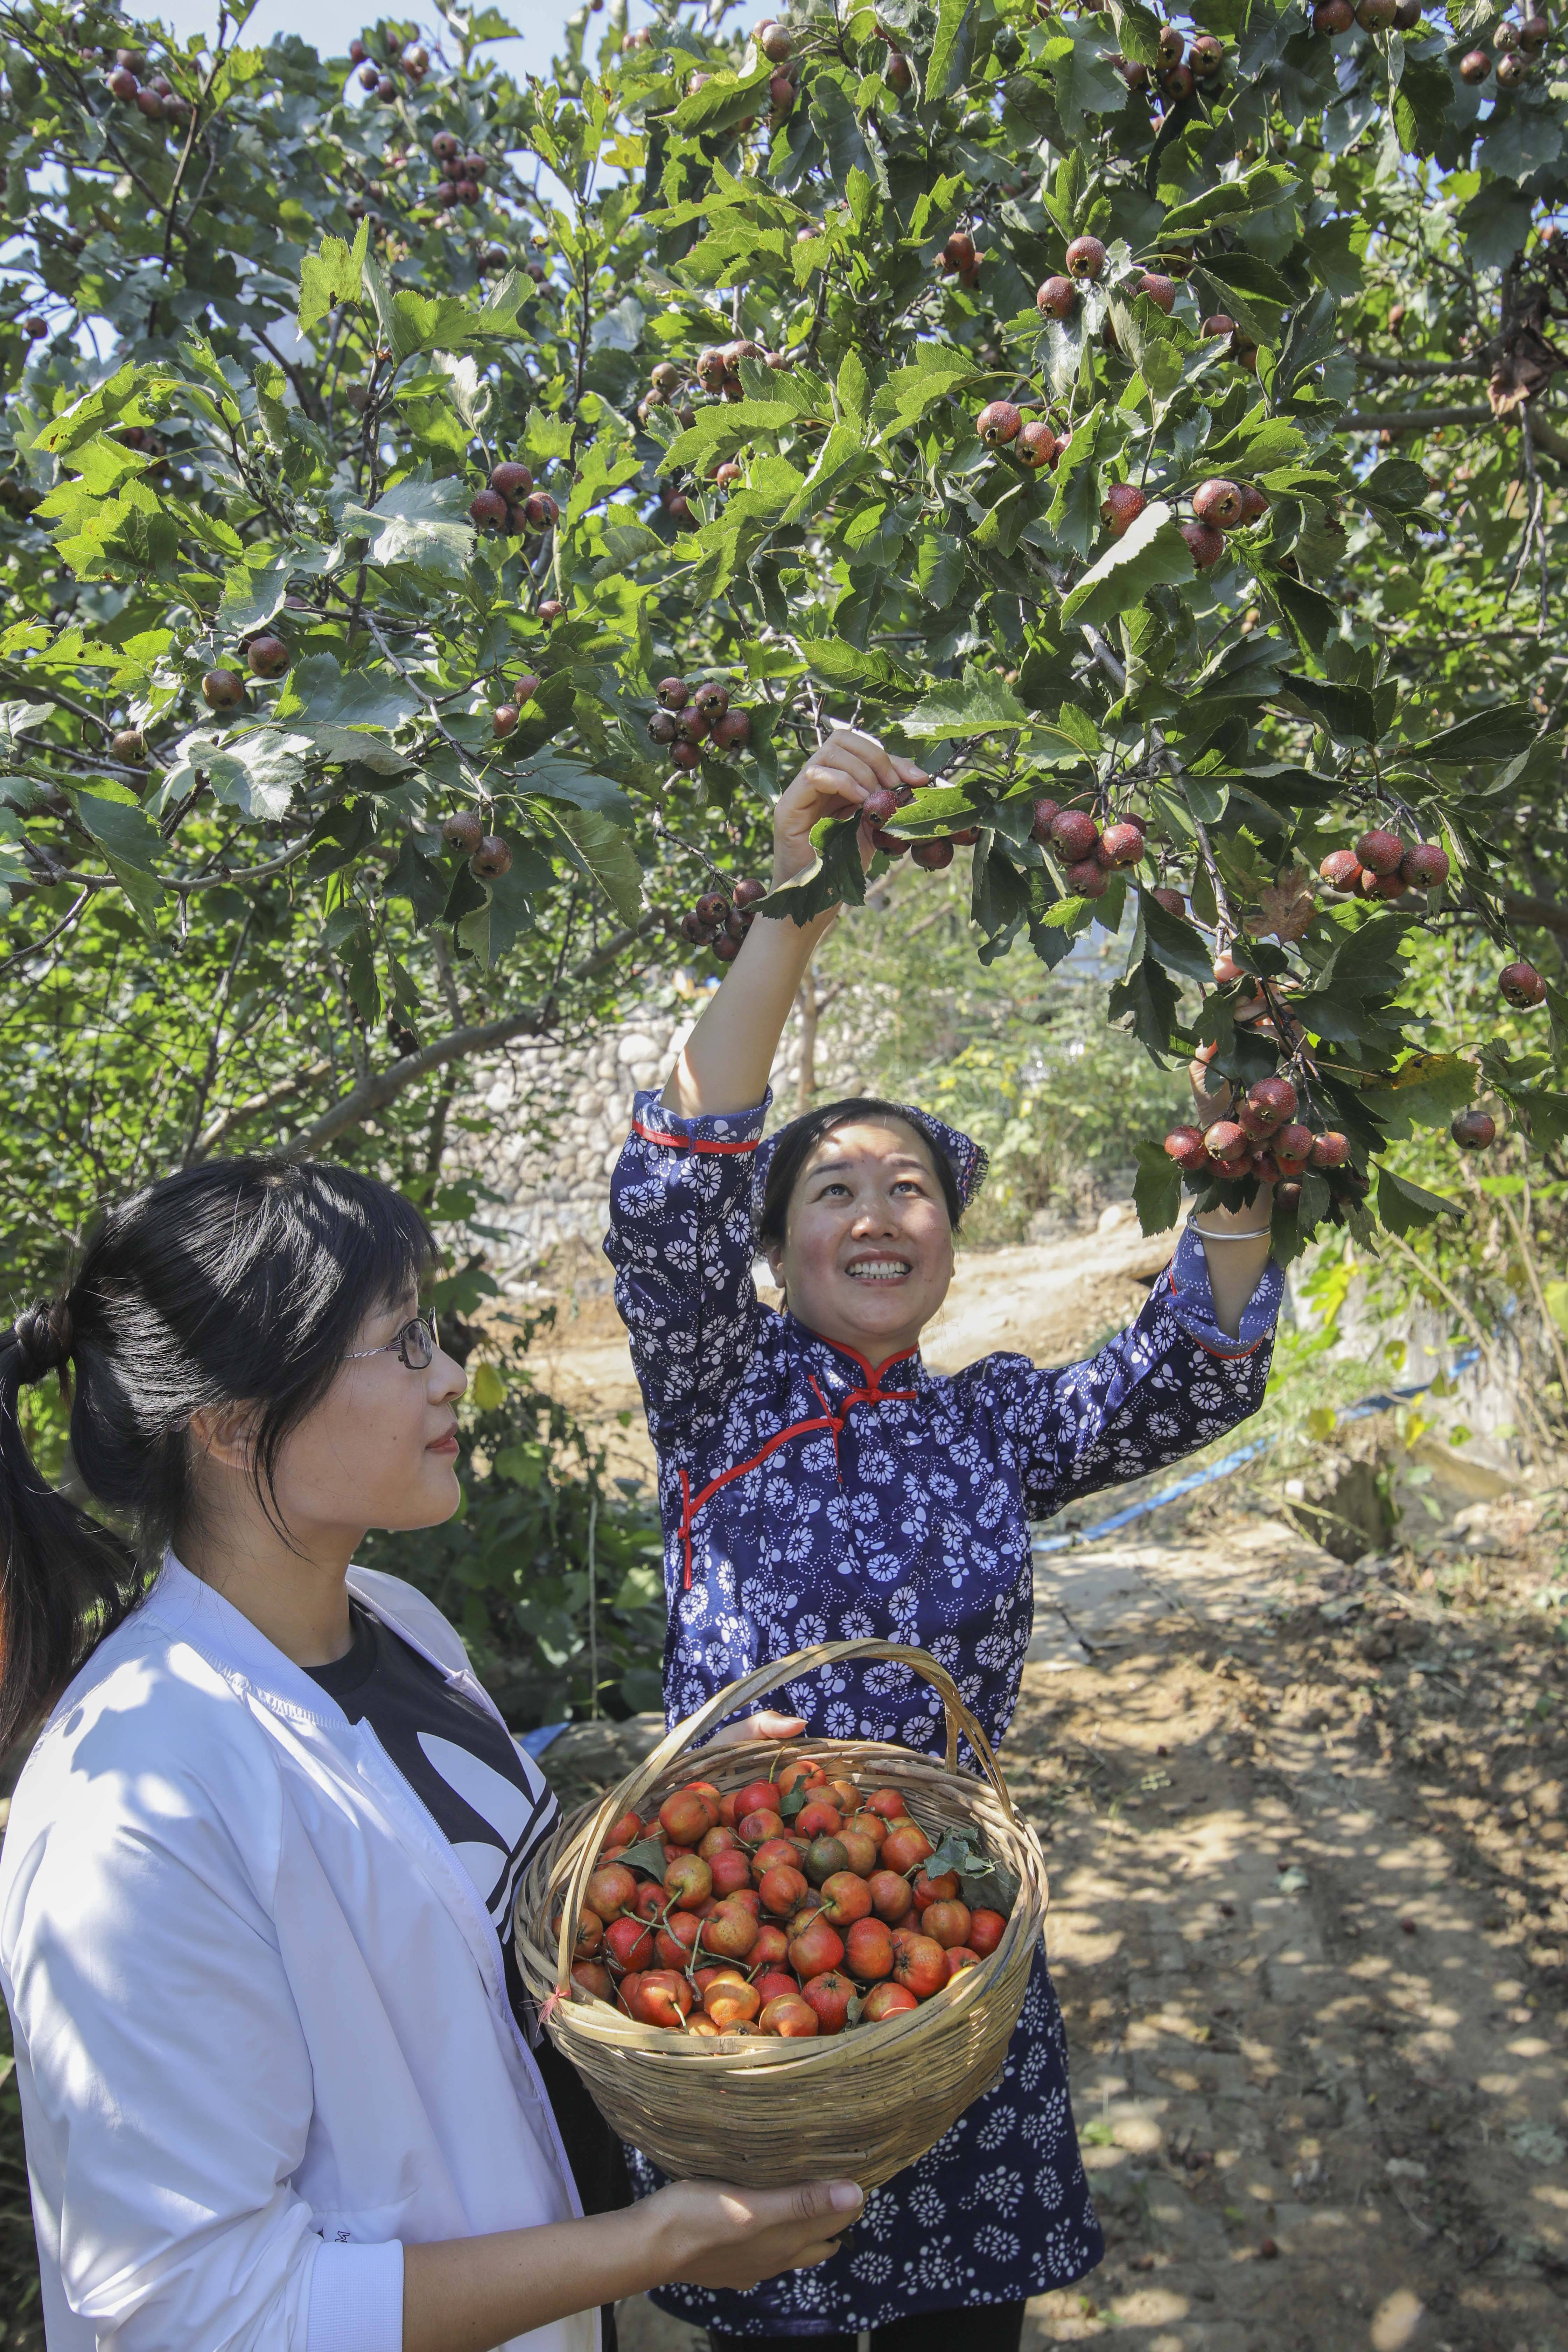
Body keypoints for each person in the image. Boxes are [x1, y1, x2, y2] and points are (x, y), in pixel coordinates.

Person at [604, 728, 1284, 2347]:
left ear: (948, 1245)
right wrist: (799, 897)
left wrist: (1248, 1127)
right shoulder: (717, 1393)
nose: (874, 1213)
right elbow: (663, 1194)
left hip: (943, 1952)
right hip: (729, 1954)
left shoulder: (982, 1421)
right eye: (830, 1189)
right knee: (767, 2302)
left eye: (907, 1187)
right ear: (773, 1253)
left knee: (954, 2328)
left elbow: (1187, 1374)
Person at [0, 1158, 861, 2352]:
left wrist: (661, 1812)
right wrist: (660, 2245)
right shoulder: (134, 1811)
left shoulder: (396, 1617)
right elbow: (194, 2313)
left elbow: (466, 1925)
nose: (453, 1375)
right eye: (406, 1343)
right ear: (235, 1424)